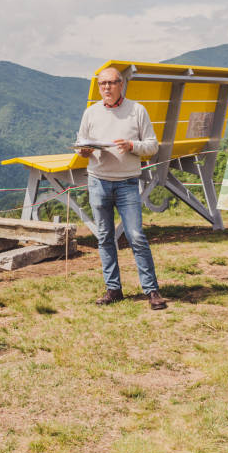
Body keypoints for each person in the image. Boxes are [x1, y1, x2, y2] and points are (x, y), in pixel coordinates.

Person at [75, 66, 166, 311]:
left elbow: (152, 146)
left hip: (127, 182)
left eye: (111, 83)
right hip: (98, 181)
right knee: (104, 237)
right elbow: (80, 142)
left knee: (136, 236)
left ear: (121, 84)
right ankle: (113, 289)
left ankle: (152, 290)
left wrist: (132, 145)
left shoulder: (137, 111)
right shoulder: (90, 113)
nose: (106, 87)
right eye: (102, 83)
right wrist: (83, 151)